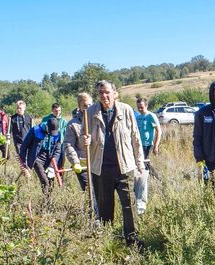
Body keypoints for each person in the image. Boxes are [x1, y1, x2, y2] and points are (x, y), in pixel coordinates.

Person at [85, 80, 147, 246]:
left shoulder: (126, 110)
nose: (104, 96)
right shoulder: (90, 113)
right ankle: (108, 241)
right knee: (105, 207)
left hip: (124, 167)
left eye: (107, 92)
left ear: (114, 93)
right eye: (100, 93)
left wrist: (140, 162)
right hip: (101, 168)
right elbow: (83, 139)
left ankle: (132, 240)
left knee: (128, 205)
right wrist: (86, 140)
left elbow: (135, 137)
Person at [19, 117, 63, 198]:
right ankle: (46, 202)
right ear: (47, 127)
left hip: (49, 159)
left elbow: (57, 150)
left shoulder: (57, 133)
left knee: (50, 181)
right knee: (45, 181)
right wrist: (23, 162)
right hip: (37, 158)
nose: (53, 133)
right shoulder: (35, 131)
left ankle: (48, 201)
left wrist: (51, 166)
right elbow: (24, 146)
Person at [135, 97, 162, 213]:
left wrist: (156, 145)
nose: (140, 109)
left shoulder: (151, 116)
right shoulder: (137, 117)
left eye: (142, 107)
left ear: (146, 106)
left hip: (147, 145)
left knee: (144, 164)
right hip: (138, 145)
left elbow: (159, 131)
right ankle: (154, 178)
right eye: (138, 107)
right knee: (143, 165)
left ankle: (154, 179)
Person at [64, 92, 93, 196]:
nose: (88, 108)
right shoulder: (73, 124)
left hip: (97, 163)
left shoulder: (97, 120)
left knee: (101, 193)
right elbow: (68, 144)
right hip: (82, 164)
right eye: (85, 105)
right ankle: (90, 207)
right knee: (89, 192)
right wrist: (75, 162)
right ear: (79, 106)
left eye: (90, 105)